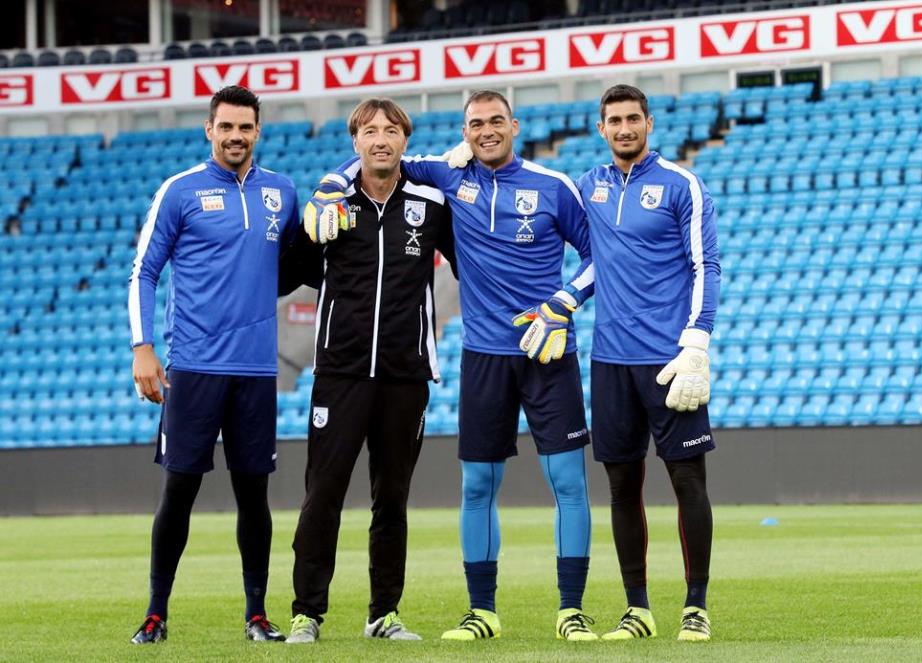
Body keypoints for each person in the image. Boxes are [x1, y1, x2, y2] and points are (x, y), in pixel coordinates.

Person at [308, 90, 598, 641]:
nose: (487, 131)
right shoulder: (446, 175)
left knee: (567, 481)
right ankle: (481, 612)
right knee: (477, 485)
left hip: (547, 352)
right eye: (476, 124)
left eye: (496, 121)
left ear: (514, 125)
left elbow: (598, 255)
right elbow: (375, 156)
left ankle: (571, 610)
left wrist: (563, 304)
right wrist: (328, 187)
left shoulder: (553, 186)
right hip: (483, 356)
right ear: (464, 133)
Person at [279, 98, 455, 644]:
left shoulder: (431, 203)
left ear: (405, 140)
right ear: (355, 142)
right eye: (370, 131)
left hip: (406, 376)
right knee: (322, 494)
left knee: (392, 500)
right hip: (341, 373)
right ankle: (307, 613)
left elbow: (475, 263)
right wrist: (308, 231)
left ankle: (384, 614)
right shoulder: (331, 204)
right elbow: (286, 276)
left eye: (391, 130)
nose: (381, 139)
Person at [127, 85, 298, 644]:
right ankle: (156, 613)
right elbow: (144, 272)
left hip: (257, 371)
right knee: (179, 491)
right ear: (209, 129)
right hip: (194, 366)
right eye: (226, 126)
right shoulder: (180, 191)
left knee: (254, 496)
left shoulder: (282, 191)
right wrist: (142, 347)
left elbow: (295, 264)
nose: (235, 136)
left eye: (245, 127)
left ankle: (257, 615)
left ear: (258, 131)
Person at [577, 84, 720, 641]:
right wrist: (565, 300)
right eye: (614, 120)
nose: (624, 128)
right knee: (621, 486)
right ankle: (637, 609)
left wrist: (697, 343)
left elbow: (706, 265)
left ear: (649, 123)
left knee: (687, 480)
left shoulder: (682, 184)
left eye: (632, 118)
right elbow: (593, 262)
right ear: (601, 128)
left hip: (669, 360)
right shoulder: (588, 187)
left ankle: (696, 606)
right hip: (609, 360)